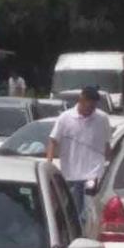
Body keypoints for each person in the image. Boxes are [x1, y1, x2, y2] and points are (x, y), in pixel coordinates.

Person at [47, 85, 111, 223]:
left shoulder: (102, 119)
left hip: (93, 174)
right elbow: (53, 141)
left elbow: (107, 145)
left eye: (94, 107)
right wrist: (49, 163)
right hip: (70, 174)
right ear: (81, 100)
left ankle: (87, 234)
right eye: (89, 106)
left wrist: (109, 166)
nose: (91, 110)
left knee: (88, 212)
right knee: (72, 212)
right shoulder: (65, 118)